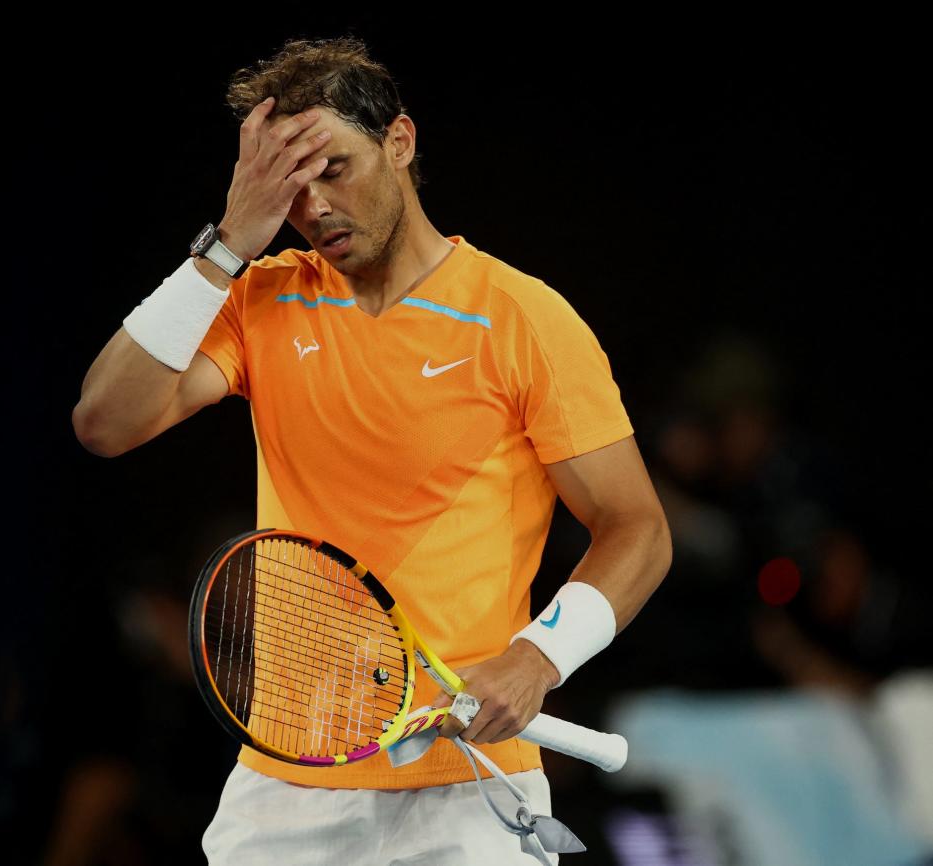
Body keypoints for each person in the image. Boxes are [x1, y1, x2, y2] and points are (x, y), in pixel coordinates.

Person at [73, 36, 672, 865]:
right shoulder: (257, 299)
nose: (313, 206)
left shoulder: (523, 317)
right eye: (287, 186)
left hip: (468, 791)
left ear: (399, 141)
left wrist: (539, 656)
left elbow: (636, 526)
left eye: (334, 168)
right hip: (286, 784)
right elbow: (103, 423)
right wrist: (226, 243)